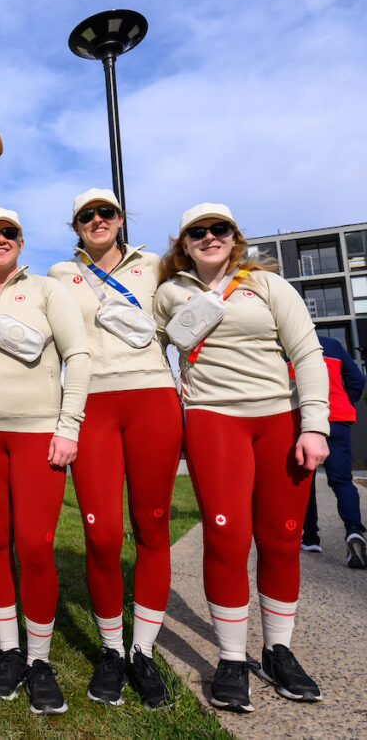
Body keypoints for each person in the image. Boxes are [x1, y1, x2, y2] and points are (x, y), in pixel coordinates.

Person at [154, 203, 329, 713]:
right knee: (229, 537)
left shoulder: (269, 286)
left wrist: (313, 424)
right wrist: (172, 400)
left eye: (220, 229)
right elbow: (146, 349)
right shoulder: (170, 294)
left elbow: (307, 353)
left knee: (282, 538)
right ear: (183, 244)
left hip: (277, 420)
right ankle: (232, 659)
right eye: (197, 232)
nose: (210, 236)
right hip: (212, 420)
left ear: (235, 237)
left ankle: (278, 652)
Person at [48, 189, 183, 709]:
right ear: (76, 225)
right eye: (87, 216)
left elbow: (190, 316)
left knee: (152, 528)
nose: (98, 220)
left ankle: (142, 652)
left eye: (106, 213)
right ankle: (110, 650)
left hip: (152, 399)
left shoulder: (154, 264)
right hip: (93, 405)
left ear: (120, 219)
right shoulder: (61, 275)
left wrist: (191, 374)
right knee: (101, 536)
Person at [0, 209, 90, 713]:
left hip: (37, 433)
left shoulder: (46, 290)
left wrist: (68, 425)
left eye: (8, 232)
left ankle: (39, 659)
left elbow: (78, 355)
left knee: (34, 546)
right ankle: (10, 653)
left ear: (20, 240)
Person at [297, 335, 367, 569]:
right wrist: (344, 401)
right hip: (337, 419)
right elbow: (356, 379)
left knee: (304, 480)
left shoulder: (286, 346)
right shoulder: (333, 345)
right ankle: (354, 530)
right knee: (342, 481)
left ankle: (311, 537)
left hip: (304, 422)